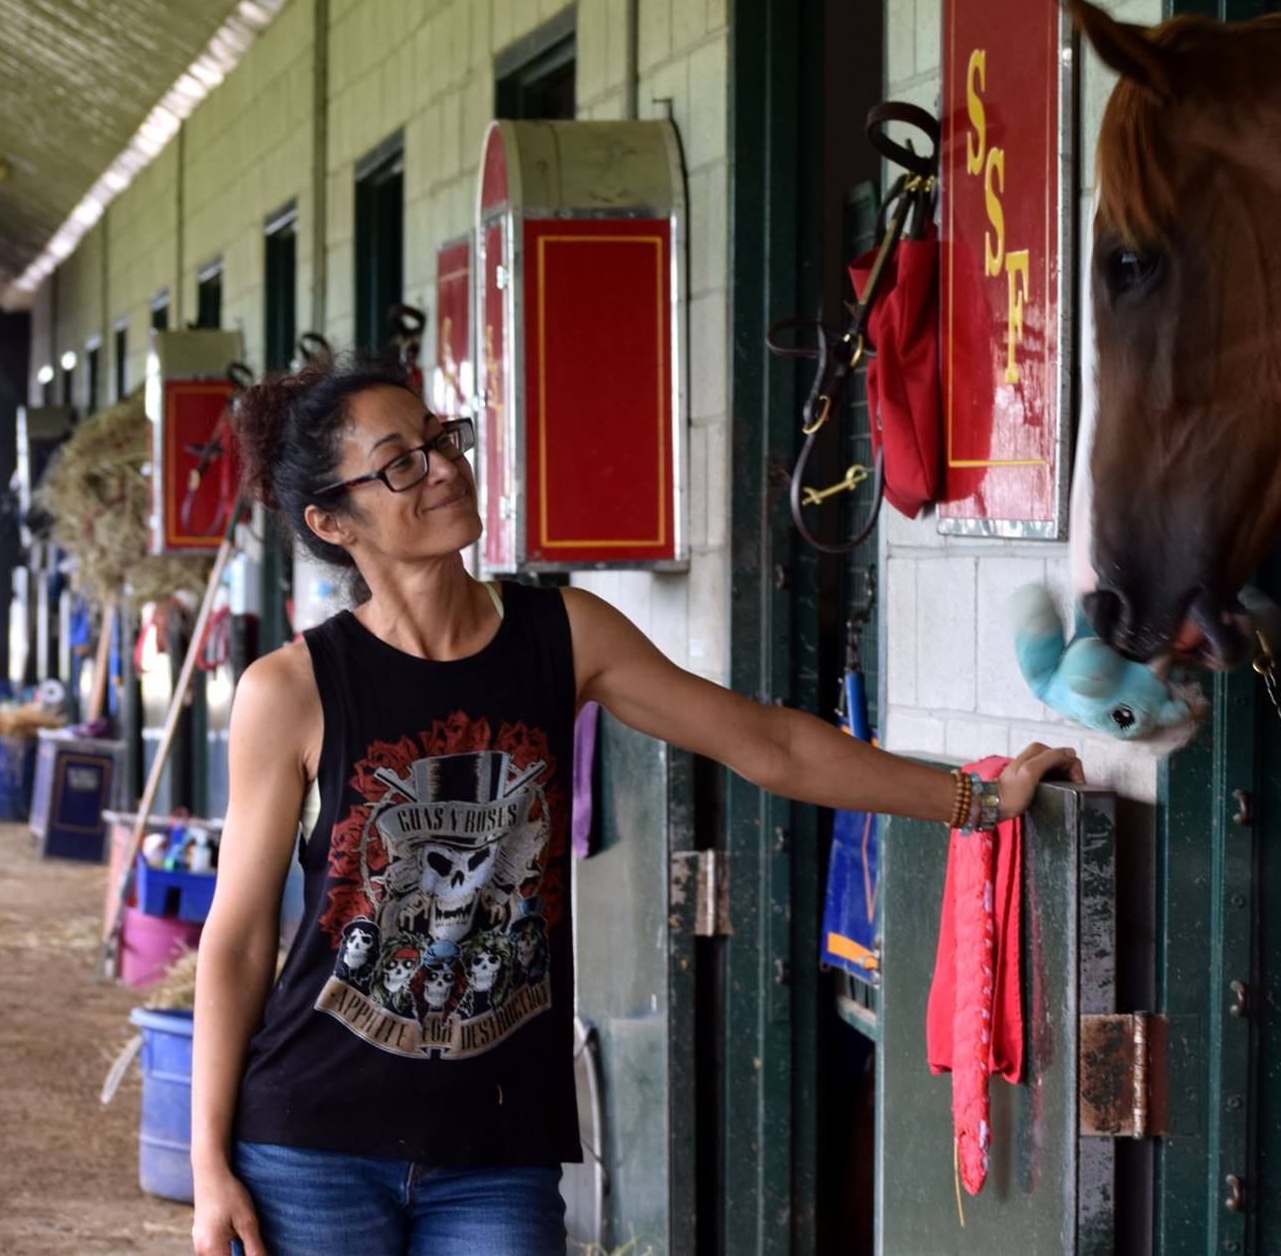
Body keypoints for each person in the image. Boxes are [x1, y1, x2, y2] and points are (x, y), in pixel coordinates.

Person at [191, 358, 1082, 1256]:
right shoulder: (294, 690)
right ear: (332, 522)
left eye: (439, 438)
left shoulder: (562, 633)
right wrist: (207, 1168)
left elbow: (769, 745)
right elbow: (238, 940)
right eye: (400, 463)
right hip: (311, 1145)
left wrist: (976, 801)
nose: (444, 469)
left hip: (495, 1152)